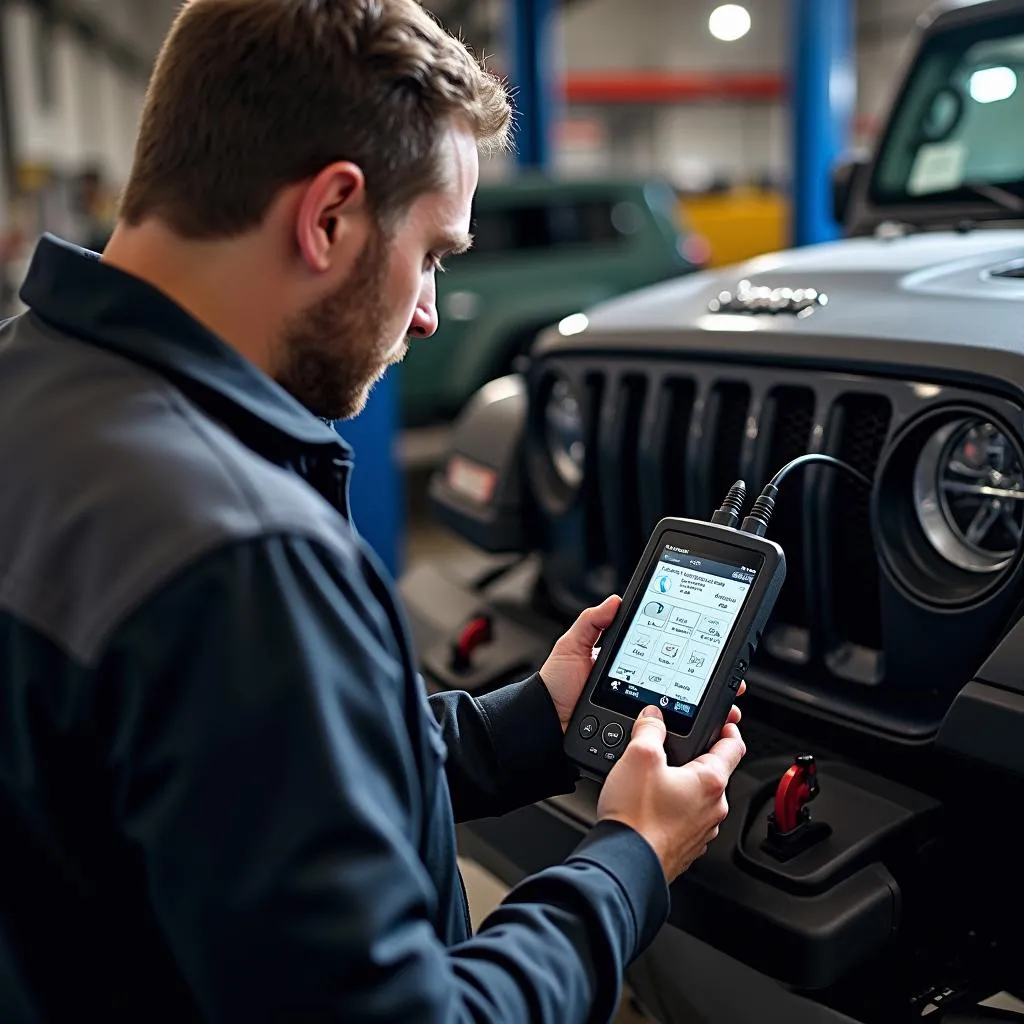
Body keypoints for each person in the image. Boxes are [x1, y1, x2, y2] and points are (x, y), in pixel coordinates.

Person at [0, 2, 746, 1021]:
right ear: (331, 216)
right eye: (433, 253)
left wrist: (529, 723)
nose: (431, 309)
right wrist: (628, 862)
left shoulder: (33, 388)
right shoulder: (236, 553)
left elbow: (242, 777)